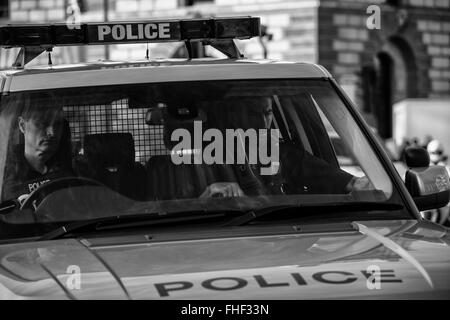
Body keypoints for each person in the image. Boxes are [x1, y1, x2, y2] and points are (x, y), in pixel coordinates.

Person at [2, 93, 73, 202]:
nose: (52, 132)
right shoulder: (5, 173)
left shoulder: (75, 168)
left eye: (58, 124)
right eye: (43, 123)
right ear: (22, 125)